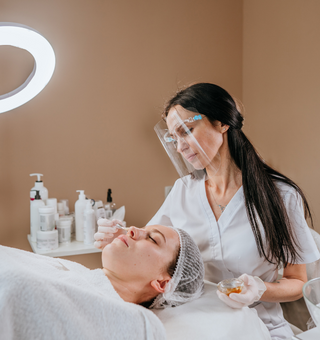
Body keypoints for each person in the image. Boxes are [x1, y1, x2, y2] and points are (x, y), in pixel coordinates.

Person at [94, 83, 320, 340]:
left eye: (187, 131)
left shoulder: (281, 196)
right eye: (173, 137)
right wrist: (115, 235)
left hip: (259, 326)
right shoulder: (183, 191)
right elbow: (147, 246)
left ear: (222, 123)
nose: (180, 147)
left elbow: (297, 282)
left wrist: (259, 289)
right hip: (200, 319)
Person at [0, 225, 204, 340]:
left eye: (153, 239)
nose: (134, 229)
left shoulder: (136, 325)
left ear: (162, 284)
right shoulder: (73, 273)